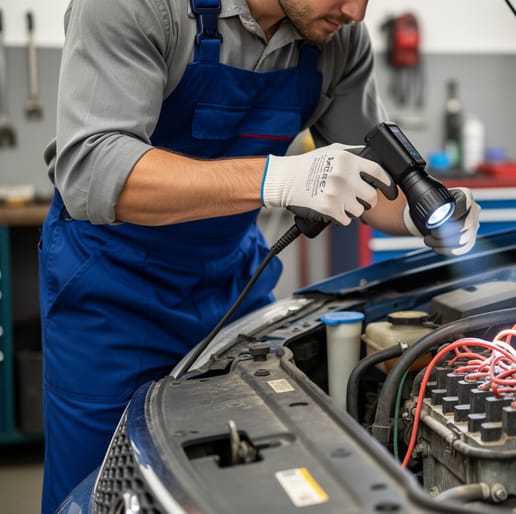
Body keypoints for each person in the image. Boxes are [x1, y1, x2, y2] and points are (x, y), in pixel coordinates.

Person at [38, 0, 481, 511]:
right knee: (100, 491)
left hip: (232, 279)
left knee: (257, 479)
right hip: (110, 291)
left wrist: (418, 214)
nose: (356, 12)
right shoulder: (138, 6)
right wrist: (276, 178)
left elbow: (369, 174)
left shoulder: (336, 39)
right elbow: (91, 169)